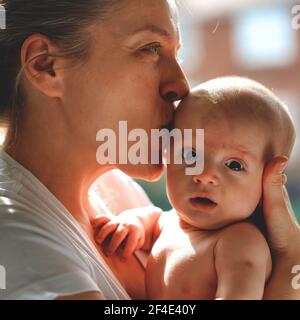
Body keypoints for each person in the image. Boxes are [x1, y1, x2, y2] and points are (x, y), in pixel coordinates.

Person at [0, 0, 299, 300]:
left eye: (176, 53)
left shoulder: (116, 191)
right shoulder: (12, 235)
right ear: (46, 65)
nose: (181, 86)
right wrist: (290, 261)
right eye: (151, 48)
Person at [95, 76, 296, 299]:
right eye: (191, 155)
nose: (205, 175)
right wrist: (133, 225)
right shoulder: (171, 223)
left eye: (234, 165)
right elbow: (153, 221)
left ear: (267, 182)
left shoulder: (239, 242)